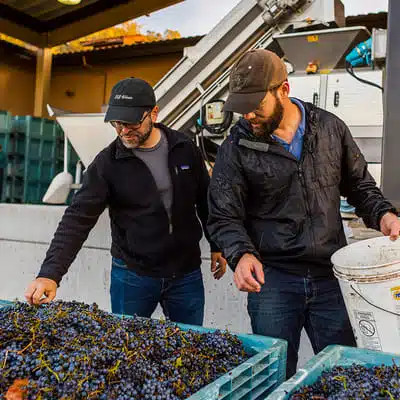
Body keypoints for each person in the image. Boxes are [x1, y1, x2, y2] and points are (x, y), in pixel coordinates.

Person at [207, 49, 400, 377]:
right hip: (273, 280)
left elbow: (360, 187)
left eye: (256, 106)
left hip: (332, 277)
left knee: (344, 372)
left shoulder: (330, 128)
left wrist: (384, 214)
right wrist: (241, 256)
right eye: (242, 109)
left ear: (283, 90)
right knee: (274, 374)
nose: (248, 117)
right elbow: (224, 214)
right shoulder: (236, 146)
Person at [25, 77, 227, 325]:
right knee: (126, 349)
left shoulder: (184, 148)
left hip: (185, 275)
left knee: (191, 348)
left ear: (153, 113)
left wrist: (217, 244)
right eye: (116, 124)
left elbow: (204, 200)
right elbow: (76, 220)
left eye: (131, 123)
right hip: (133, 276)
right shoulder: (107, 164)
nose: (123, 131)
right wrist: (50, 275)